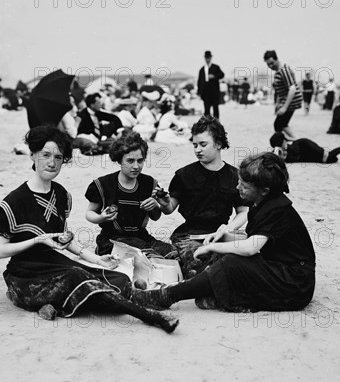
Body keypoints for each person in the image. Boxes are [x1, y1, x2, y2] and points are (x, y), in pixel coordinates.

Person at [0, 126, 178, 332]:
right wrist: (38, 240)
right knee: (78, 276)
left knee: (118, 278)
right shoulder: (14, 201)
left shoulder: (61, 195)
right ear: (33, 155)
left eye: (58, 157)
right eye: (45, 155)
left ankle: (54, 304)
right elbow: (0, 251)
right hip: (26, 274)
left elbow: (65, 240)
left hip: (55, 264)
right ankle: (148, 314)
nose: (52, 162)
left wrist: (96, 259)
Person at [132, 152, 316, 313]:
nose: (238, 188)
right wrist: (225, 236)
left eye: (244, 186)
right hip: (278, 268)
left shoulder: (276, 209)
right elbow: (258, 239)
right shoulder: (263, 203)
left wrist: (214, 246)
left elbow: (251, 248)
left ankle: (167, 296)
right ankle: (211, 295)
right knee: (226, 257)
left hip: (294, 284)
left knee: (231, 261)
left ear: (264, 190)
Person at [154, 116, 249, 277]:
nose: (198, 149)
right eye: (195, 145)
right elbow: (169, 209)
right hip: (188, 235)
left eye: (203, 144)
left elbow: (244, 210)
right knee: (196, 257)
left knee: (243, 253)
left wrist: (228, 229)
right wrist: (164, 202)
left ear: (218, 144)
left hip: (219, 233)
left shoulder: (234, 176)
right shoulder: (184, 174)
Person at [85, 132, 175, 258]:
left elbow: (155, 217)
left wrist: (155, 206)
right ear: (119, 160)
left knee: (169, 251)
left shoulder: (149, 183)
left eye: (140, 161)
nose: (136, 166)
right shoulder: (104, 184)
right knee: (143, 253)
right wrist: (101, 217)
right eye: (130, 161)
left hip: (141, 237)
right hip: (111, 239)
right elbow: (89, 213)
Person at [263, 50, 302, 139]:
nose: (270, 66)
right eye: (268, 64)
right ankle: (288, 142)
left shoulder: (284, 70)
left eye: (272, 63)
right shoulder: (278, 72)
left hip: (292, 100)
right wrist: (278, 103)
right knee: (280, 125)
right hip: (287, 100)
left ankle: (297, 142)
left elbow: (292, 88)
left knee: (279, 125)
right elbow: (281, 91)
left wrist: (284, 107)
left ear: (277, 59)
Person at [269, 132, 340, 164]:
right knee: (330, 156)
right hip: (303, 147)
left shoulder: (284, 149)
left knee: (329, 156)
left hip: (304, 145)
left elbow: (293, 156)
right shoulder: (281, 150)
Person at [197, 51, 225, 118]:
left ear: (211, 58)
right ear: (204, 58)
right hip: (206, 92)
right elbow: (199, 82)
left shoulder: (216, 67)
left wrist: (214, 76)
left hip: (214, 91)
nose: (207, 59)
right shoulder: (202, 69)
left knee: (215, 108)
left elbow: (222, 75)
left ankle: (216, 124)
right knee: (207, 109)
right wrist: (199, 92)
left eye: (208, 58)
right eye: (206, 58)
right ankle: (207, 124)